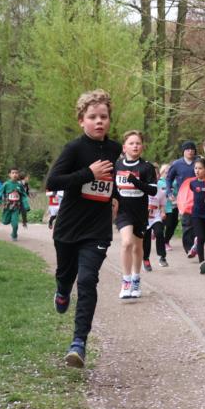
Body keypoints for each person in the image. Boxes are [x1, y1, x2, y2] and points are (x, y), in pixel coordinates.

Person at [46, 89, 122, 368]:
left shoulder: (115, 151)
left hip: (98, 230)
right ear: (82, 120)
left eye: (103, 117)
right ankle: (62, 290)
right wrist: (89, 174)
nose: (99, 121)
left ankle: (78, 343)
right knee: (66, 276)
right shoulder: (74, 149)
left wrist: (117, 198)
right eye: (92, 117)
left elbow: (117, 183)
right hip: (68, 228)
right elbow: (53, 182)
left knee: (88, 280)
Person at [114, 130, 158, 299]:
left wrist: (135, 181)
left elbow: (152, 190)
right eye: (131, 143)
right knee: (126, 243)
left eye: (138, 143)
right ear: (124, 147)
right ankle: (125, 282)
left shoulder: (146, 167)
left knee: (137, 246)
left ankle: (135, 279)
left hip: (140, 211)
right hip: (123, 211)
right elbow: (112, 187)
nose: (135, 146)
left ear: (142, 147)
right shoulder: (117, 165)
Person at [176, 157, 205, 274]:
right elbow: (187, 197)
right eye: (195, 168)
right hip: (195, 214)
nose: (197, 170)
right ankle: (202, 262)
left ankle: (196, 244)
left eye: (200, 168)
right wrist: (183, 208)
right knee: (201, 238)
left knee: (203, 238)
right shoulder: (192, 183)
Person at [166, 141, 200, 257]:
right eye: (187, 149)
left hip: (198, 195)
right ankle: (189, 248)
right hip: (183, 197)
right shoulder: (177, 164)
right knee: (186, 222)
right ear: (183, 151)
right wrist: (169, 192)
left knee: (199, 220)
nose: (190, 151)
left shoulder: (199, 162)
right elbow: (168, 179)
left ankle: (196, 243)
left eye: (192, 149)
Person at [143, 167, 168, 270]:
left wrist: (162, 212)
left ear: (159, 176)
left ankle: (162, 256)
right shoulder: (142, 189)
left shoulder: (160, 191)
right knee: (146, 239)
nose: (154, 177)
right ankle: (146, 260)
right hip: (144, 219)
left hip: (156, 217)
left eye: (156, 174)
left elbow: (162, 204)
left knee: (159, 232)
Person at [0, 167, 29, 242]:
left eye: (16, 173)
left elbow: (24, 195)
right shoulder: (6, 184)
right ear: (9, 174)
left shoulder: (19, 185)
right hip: (7, 207)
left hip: (16, 207)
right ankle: (8, 219)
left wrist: (26, 205)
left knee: (15, 224)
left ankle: (14, 234)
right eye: (13, 173)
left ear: (18, 174)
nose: (15, 174)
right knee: (5, 222)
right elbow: (0, 193)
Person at [159, 162, 178, 251]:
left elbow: (179, 193)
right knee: (164, 225)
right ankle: (164, 242)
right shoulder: (159, 183)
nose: (168, 173)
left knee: (173, 225)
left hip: (174, 206)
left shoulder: (175, 183)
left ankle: (166, 240)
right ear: (162, 172)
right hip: (163, 208)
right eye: (166, 171)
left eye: (170, 171)